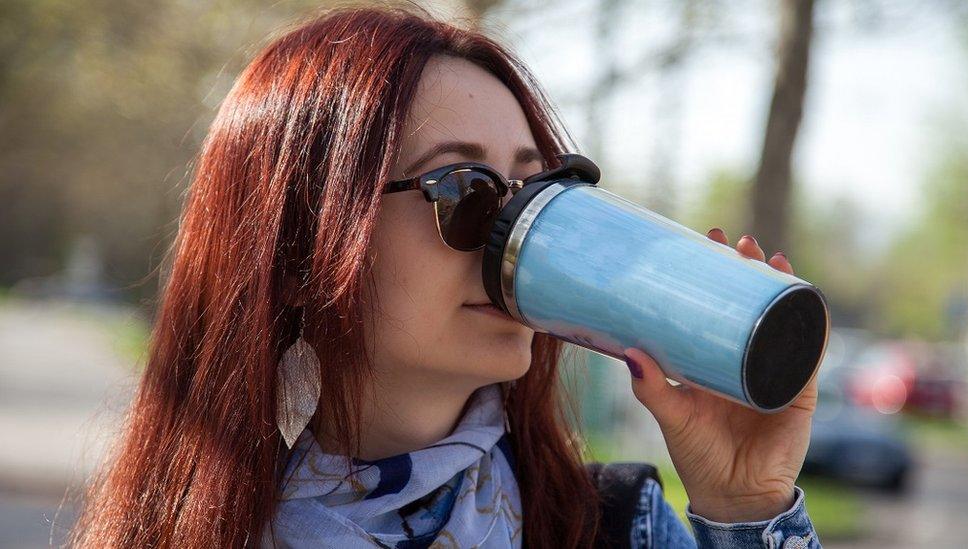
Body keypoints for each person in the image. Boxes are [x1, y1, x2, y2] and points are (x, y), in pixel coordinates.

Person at [68, 4, 821, 548]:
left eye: (537, 192)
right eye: (464, 192)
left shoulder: (616, 526)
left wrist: (747, 505)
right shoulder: (182, 528)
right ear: (300, 248)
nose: (513, 241)